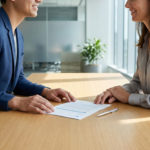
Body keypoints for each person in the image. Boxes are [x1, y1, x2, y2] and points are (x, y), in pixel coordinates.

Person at [0, 0, 76, 113]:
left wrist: (45, 92)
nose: (39, 0)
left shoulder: (17, 35)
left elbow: (17, 81)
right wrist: (16, 102)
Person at [94, 0, 150, 108]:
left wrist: (129, 97)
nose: (126, 5)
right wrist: (116, 91)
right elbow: (137, 82)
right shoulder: (145, 40)